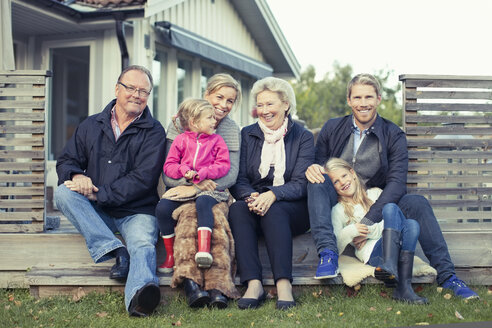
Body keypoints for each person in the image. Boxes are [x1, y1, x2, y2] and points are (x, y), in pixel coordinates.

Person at [306, 73, 479, 299]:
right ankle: (328, 254)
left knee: (416, 202)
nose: (363, 103)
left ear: (378, 99)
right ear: (349, 100)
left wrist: (367, 221)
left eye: (369, 97)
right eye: (357, 97)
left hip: (374, 201)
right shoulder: (332, 128)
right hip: (338, 201)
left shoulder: (393, 134)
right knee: (317, 180)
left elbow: (397, 184)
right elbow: (321, 163)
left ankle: (448, 277)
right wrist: (313, 167)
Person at [55, 65, 167, 317]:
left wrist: (99, 193)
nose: (137, 95)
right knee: (63, 193)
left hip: (136, 209)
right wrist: (77, 175)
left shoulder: (154, 131)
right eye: (131, 88)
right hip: (99, 210)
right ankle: (115, 250)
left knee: (142, 244)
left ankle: (140, 298)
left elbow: (142, 179)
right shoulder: (91, 124)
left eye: (144, 91)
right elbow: (66, 161)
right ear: (117, 89)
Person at [229, 76, 314, 310]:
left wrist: (272, 194)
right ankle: (254, 284)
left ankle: (284, 285)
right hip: (254, 202)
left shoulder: (303, 136)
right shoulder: (247, 134)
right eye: (260, 105)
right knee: (237, 209)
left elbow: (300, 183)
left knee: (274, 211)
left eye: (270, 104)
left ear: (285, 105)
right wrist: (251, 196)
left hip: (292, 207)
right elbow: (239, 179)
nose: (264, 111)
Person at [157, 73, 242, 309]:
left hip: (215, 192)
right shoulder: (179, 125)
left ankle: (218, 286)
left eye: (230, 101)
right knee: (187, 217)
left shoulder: (230, 130)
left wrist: (203, 183)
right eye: (219, 97)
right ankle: (191, 283)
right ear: (207, 95)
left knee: (213, 216)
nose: (224, 105)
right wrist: (192, 187)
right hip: (181, 192)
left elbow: (231, 174)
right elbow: (168, 172)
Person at [325, 158, 427, 304]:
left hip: (396, 250)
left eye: (344, 176)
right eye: (336, 181)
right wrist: (352, 230)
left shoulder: (376, 194)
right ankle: (394, 273)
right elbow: (335, 246)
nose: (342, 182)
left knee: (410, 223)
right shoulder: (338, 210)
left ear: (352, 173)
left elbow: (391, 224)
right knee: (394, 212)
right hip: (373, 254)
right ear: (333, 187)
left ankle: (399, 281)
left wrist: (367, 231)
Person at [157, 98, 230, 272]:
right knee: (162, 209)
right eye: (210, 118)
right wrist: (184, 170)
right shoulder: (180, 140)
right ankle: (171, 256)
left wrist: (204, 174)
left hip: (211, 190)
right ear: (194, 122)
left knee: (203, 203)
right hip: (185, 188)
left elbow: (223, 165)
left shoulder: (217, 141)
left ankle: (204, 251)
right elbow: (169, 166)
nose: (215, 121)